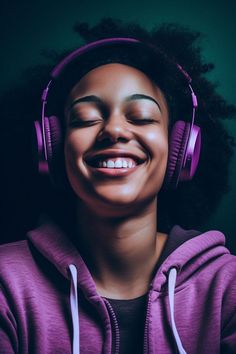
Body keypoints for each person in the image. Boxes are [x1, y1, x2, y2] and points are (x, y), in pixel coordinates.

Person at [0, 19, 236, 354]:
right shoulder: (5, 283)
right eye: (85, 119)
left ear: (182, 149)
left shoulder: (228, 285)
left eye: (140, 116)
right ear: (51, 149)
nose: (113, 130)